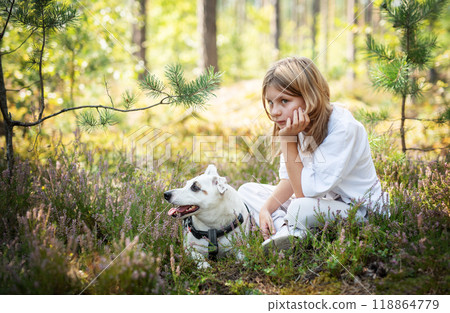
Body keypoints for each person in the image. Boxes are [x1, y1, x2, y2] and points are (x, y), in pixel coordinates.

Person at [237, 56, 388, 250]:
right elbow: (289, 182)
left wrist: (287, 141)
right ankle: (286, 231)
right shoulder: (296, 126)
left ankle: (290, 233)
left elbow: (304, 194)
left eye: (284, 100)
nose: (275, 111)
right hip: (322, 203)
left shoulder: (342, 128)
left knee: (300, 207)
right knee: (247, 190)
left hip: (359, 212)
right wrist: (267, 207)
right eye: (271, 102)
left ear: (309, 96)